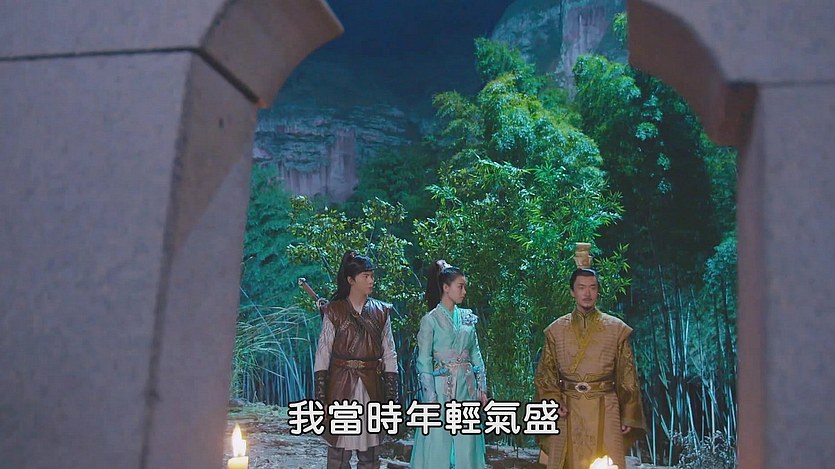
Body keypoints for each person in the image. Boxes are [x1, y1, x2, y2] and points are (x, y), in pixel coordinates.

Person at [534, 245, 646, 469]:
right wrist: (553, 402)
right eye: (581, 288)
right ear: (572, 291)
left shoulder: (616, 329)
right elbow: (545, 375)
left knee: (607, 462)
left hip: (605, 406)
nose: (587, 293)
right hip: (567, 407)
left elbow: (627, 376)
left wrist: (628, 414)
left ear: (598, 291)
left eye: (592, 288)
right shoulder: (555, 330)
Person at [313, 250, 400, 469]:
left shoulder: (381, 311)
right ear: (351, 280)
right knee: (338, 452)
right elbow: (323, 354)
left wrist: (391, 397)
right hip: (341, 384)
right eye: (365, 276)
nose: (371, 280)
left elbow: (389, 354)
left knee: (370, 453)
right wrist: (321, 397)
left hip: (372, 383)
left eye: (372, 275)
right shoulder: (334, 311)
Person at [411, 260, 488, 469]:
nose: (464, 292)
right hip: (441, 387)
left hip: (466, 385)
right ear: (446, 287)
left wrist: (482, 387)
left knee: (467, 438)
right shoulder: (431, 320)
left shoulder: (467, 317)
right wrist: (430, 397)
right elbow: (424, 361)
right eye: (460, 286)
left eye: (464, 287)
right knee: (438, 438)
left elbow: (476, 353)